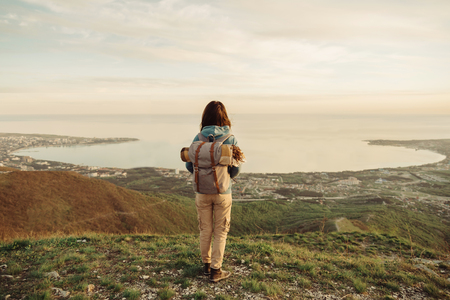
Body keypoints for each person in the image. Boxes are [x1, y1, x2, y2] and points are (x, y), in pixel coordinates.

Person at [186, 101, 241, 283]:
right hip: (223, 192)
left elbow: (189, 165)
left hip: (201, 191)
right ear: (224, 117)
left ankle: (206, 265)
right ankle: (216, 271)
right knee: (220, 231)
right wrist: (224, 176)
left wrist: (204, 175)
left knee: (205, 229)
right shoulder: (230, 139)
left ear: (205, 117)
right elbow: (236, 169)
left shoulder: (198, 137)